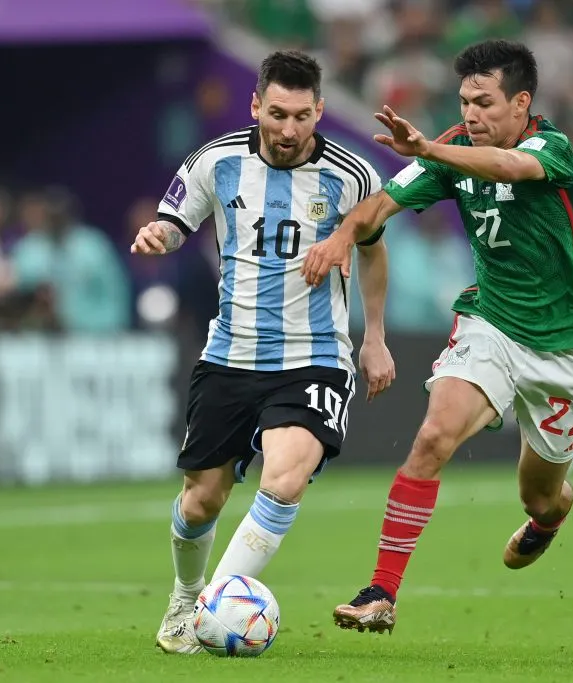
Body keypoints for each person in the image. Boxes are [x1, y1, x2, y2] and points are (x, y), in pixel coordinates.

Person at [300, 38, 573, 634]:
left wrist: (434, 150)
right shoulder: (449, 152)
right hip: (490, 324)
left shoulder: (553, 148)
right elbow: (377, 206)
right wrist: (340, 239)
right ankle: (381, 593)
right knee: (434, 435)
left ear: (521, 104)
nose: (471, 114)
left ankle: (550, 515)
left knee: (538, 497)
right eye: (465, 101)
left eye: (485, 102)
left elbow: (509, 168)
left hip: (564, 347)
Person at [131, 50, 396, 654]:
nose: (288, 129)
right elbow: (177, 221)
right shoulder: (216, 161)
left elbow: (375, 250)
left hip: (314, 355)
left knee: (284, 476)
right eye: (276, 113)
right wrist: (159, 235)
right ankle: (186, 594)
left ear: (320, 111)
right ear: (256, 105)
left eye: (302, 116)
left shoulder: (353, 175)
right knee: (202, 499)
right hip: (230, 353)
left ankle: (210, 610)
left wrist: (373, 336)